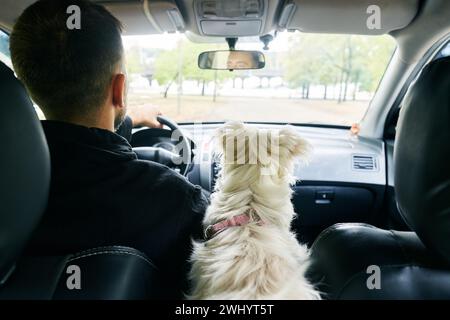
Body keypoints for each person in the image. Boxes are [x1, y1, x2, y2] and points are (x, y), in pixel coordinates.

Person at [10, 0, 208, 298]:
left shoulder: (9, 192)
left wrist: (126, 119)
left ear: (26, 88)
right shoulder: (175, 201)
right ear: (119, 89)